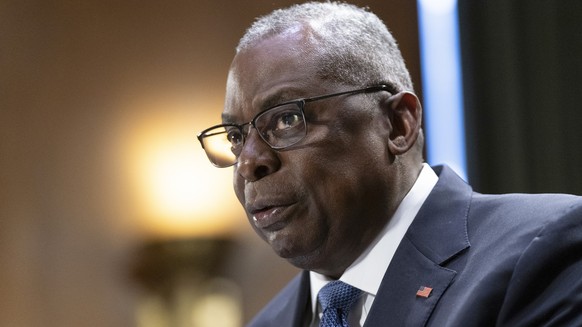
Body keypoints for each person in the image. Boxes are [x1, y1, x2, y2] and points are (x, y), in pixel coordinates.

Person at [197, 2, 582, 326]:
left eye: (287, 119)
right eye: (235, 137)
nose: (248, 162)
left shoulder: (541, 251)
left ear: (398, 124)